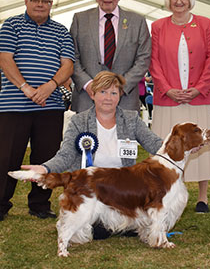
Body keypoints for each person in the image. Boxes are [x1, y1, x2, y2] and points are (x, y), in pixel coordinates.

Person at [21, 71, 163, 238]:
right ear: (93, 94)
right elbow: (65, 155)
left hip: (123, 191)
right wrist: (45, 168)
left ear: (120, 96)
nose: (108, 97)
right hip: (91, 191)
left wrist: (183, 146)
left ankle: (124, 219)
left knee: (126, 228)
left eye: (113, 93)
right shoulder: (79, 121)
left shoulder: (131, 119)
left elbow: (155, 144)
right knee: (100, 232)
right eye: (103, 92)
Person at [0, 0, 75, 221]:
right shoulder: (11, 26)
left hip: (49, 106)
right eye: (35, 0)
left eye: (45, 1)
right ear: (26, 1)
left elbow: (68, 65)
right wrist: (27, 88)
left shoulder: (62, 31)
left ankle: (40, 204)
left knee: (46, 157)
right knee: (7, 156)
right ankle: (1, 204)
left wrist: (49, 86)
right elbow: (5, 59)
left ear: (51, 4)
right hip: (14, 106)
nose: (40, 4)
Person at [150, 0, 210, 213]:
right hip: (167, 98)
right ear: (168, 1)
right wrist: (167, 88)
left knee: (201, 145)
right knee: (165, 147)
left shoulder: (206, 24)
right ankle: (163, 194)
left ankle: (202, 198)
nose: (179, 1)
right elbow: (154, 61)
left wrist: (199, 88)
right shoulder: (158, 26)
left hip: (199, 98)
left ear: (190, 0)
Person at [70, 0, 151, 113]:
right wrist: (89, 85)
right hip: (87, 100)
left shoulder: (137, 21)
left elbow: (143, 59)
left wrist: (120, 87)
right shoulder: (79, 19)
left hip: (125, 101)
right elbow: (72, 57)